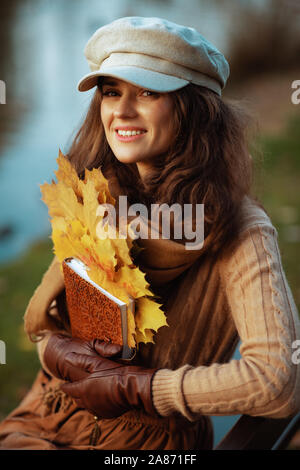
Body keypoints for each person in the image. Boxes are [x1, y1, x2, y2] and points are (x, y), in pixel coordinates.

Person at [0, 16, 299, 451]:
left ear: (195, 108)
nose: (121, 111)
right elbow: (52, 325)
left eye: (147, 91)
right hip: (42, 416)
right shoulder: (96, 197)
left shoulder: (241, 231)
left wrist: (134, 387)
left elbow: (278, 379)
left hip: (141, 447)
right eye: (111, 92)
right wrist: (60, 354)